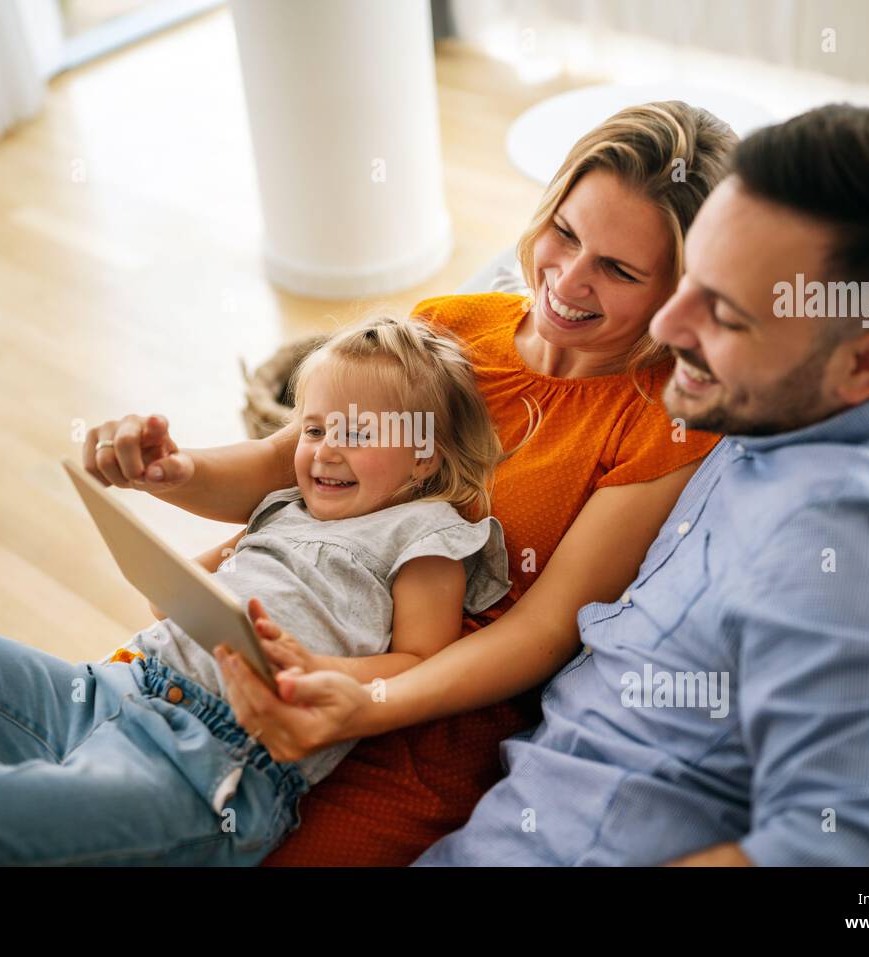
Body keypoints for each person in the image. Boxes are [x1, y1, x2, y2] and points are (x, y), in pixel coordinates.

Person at [277, 103, 869, 866]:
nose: (667, 328)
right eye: (690, 277)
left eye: (724, 311)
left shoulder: (860, 544)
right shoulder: (818, 371)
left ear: (868, 364)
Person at [85, 101, 734, 864]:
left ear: (678, 293)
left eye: (619, 270)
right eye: (565, 232)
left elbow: (543, 630)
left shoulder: (661, 421)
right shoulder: (451, 326)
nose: (569, 278)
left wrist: (366, 700)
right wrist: (171, 470)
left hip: (423, 715)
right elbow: (283, 463)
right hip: (295, 622)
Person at [0, 314, 515, 865]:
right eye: (314, 429)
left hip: (207, 765)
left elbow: (419, 662)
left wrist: (321, 668)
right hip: (115, 693)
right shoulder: (285, 505)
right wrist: (194, 551)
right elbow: (171, 601)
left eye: (358, 434)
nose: (325, 452)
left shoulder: (427, 529)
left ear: (424, 456)